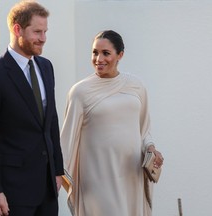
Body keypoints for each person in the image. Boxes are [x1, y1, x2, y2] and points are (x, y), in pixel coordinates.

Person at [0, 1, 64, 216]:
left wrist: (58, 170)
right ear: (17, 29)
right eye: (37, 31)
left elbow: (51, 121)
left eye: (45, 32)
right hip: (14, 190)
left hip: (48, 187)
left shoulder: (46, 67)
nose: (43, 38)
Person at [60, 30, 164, 216]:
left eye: (106, 53)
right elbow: (66, 139)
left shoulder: (136, 86)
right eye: (94, 52)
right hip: (98, 178)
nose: (99, 59)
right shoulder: (80, 92)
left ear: (120, 55)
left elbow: (144, 129)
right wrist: (57, 177)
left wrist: (150, 147)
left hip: (131, 174)